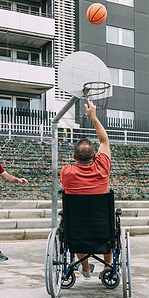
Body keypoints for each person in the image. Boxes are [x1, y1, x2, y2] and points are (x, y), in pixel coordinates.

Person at [60, 99, 112, 280]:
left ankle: (86, 270)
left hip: (77, 226)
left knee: (75, 231)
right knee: (109, 232)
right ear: (95, 156)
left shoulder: (66, 172)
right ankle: (108, 268)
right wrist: (93, 116)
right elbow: (104, 140)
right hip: (101, 225)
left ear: (74, 156)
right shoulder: (103, 168)